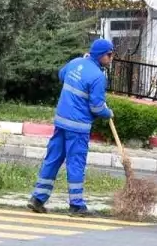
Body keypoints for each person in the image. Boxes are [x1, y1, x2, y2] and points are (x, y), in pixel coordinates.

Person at [28, 38, 115, 217]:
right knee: (76, 164)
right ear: (100, 55)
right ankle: (76, 205)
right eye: (109, 54)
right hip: (78, 127)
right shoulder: (98, 77)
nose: (111, 57)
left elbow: (62, 75)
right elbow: (97, 107)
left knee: (52, 159)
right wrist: (108, 113)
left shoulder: (76, 62)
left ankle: (38, 198)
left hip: (61, 122)